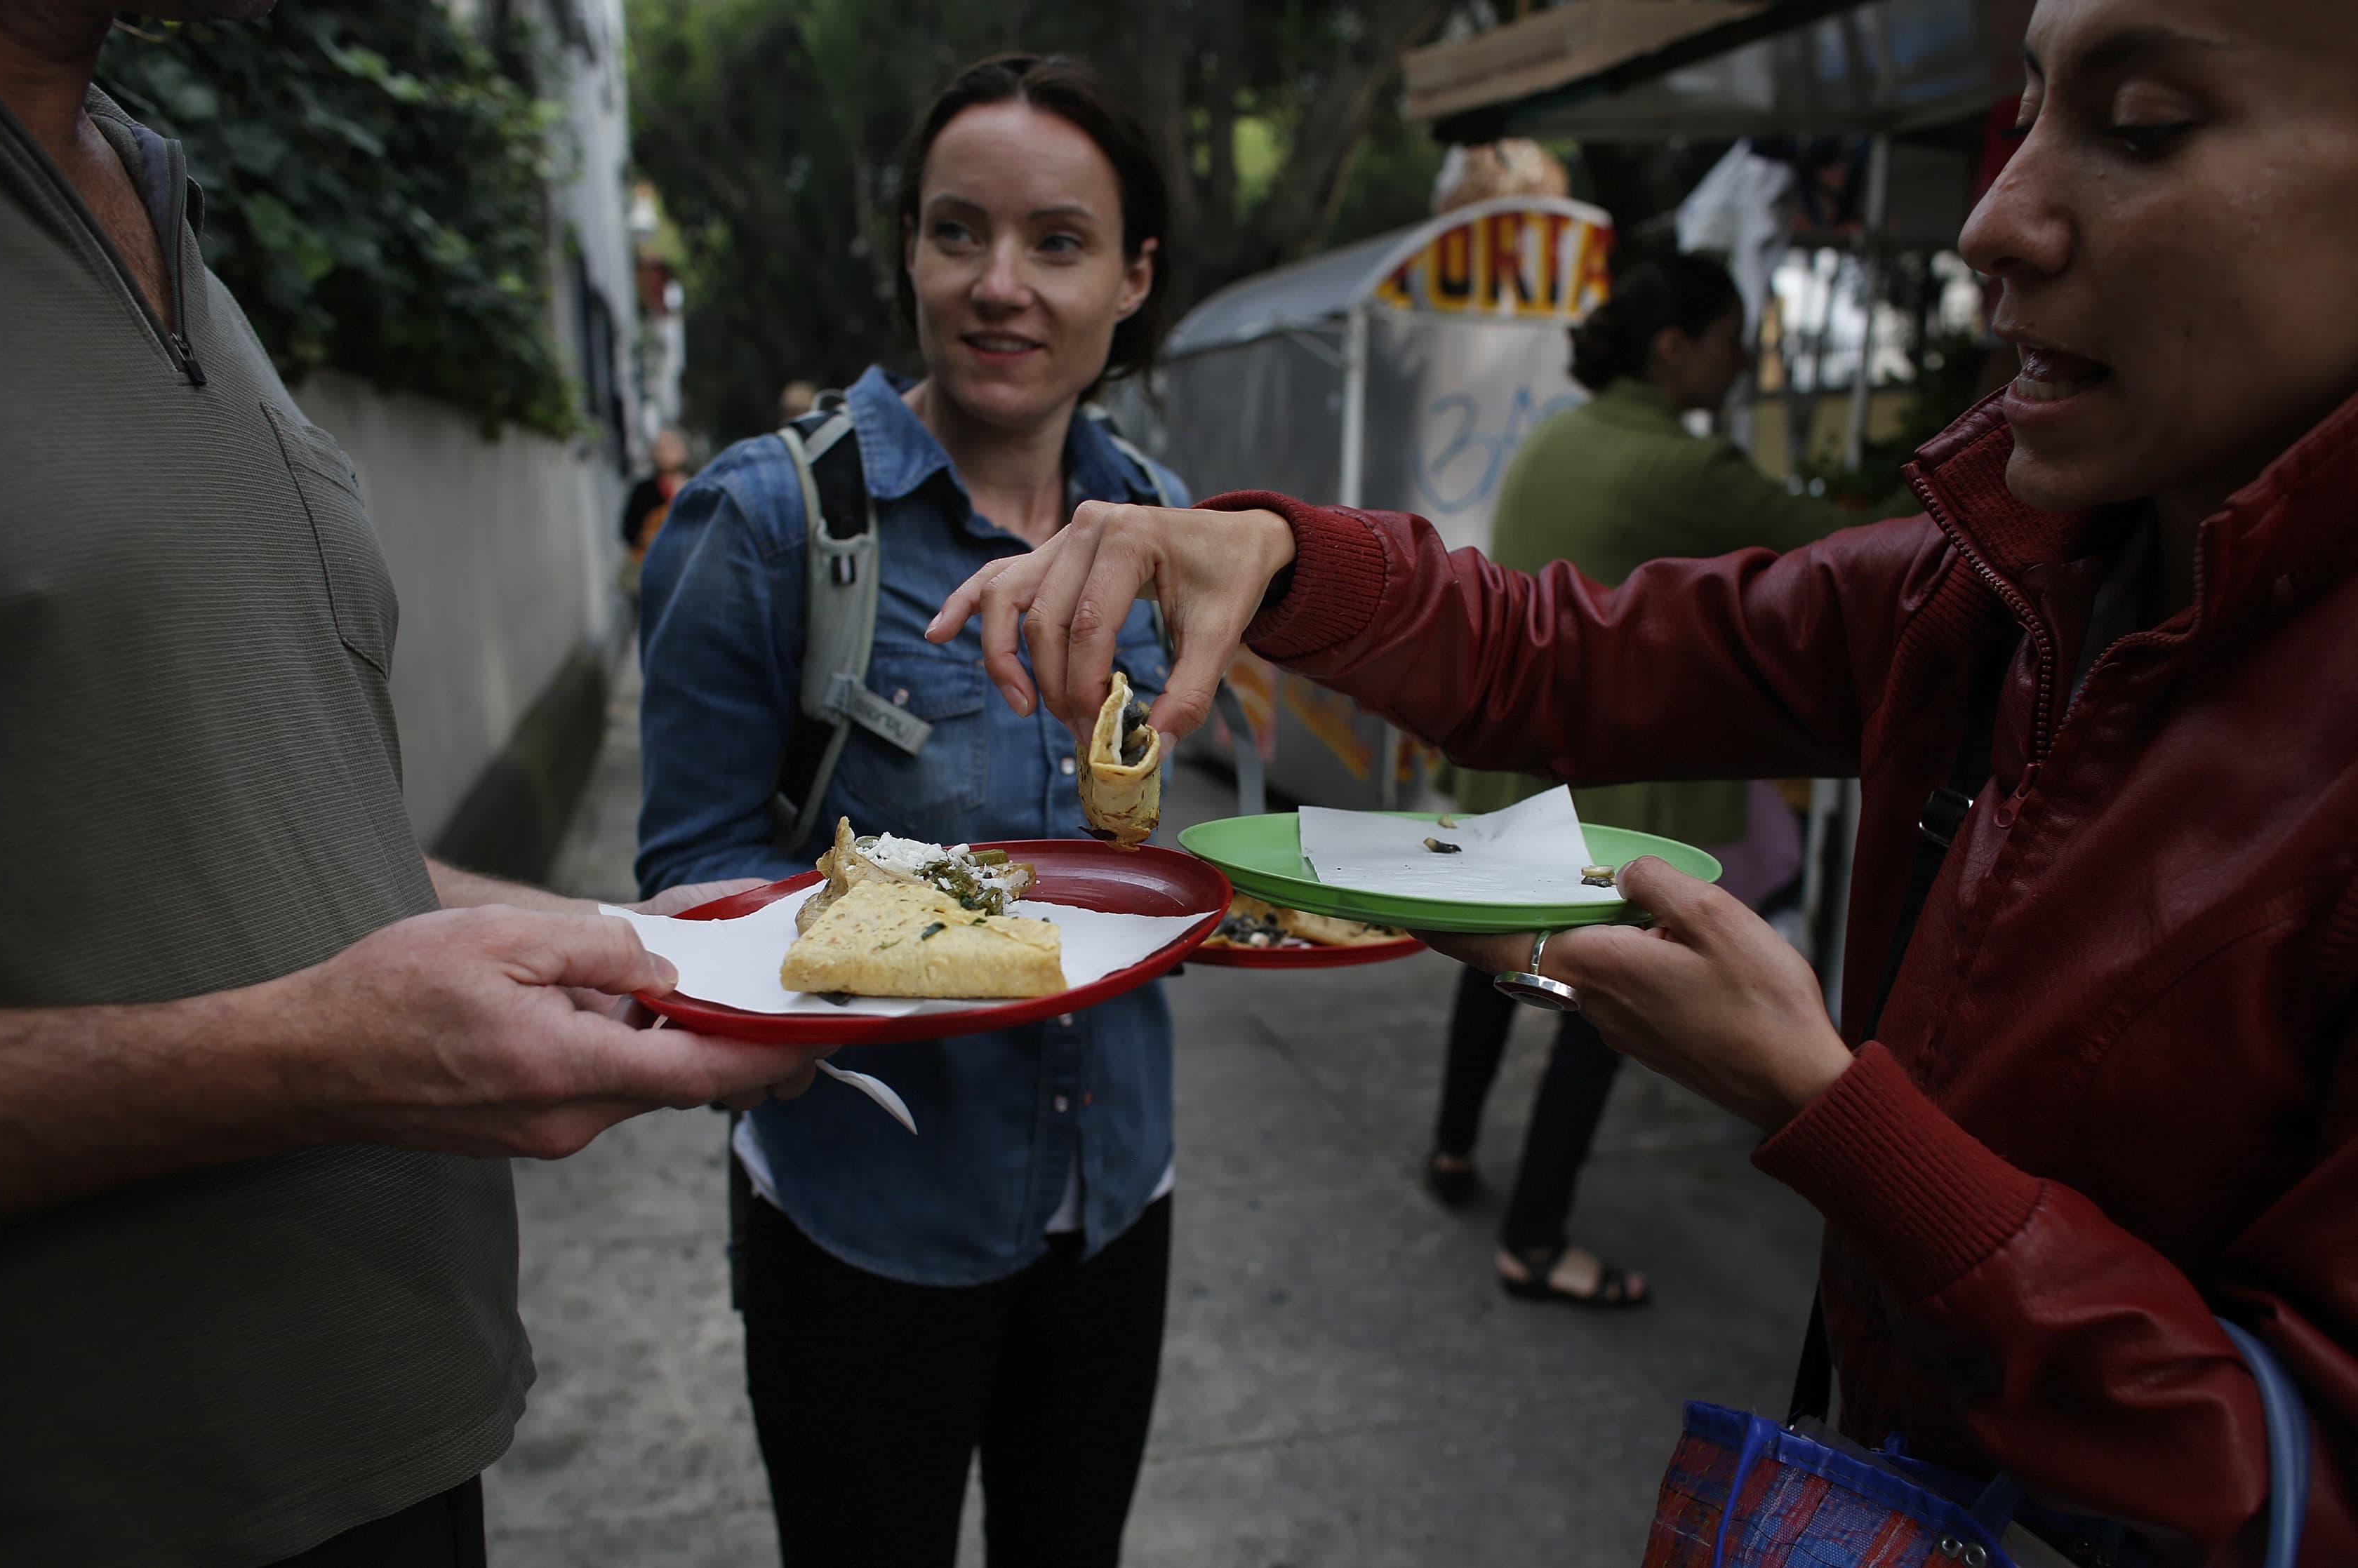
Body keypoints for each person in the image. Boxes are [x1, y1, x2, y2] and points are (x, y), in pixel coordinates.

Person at [935, 0, 2358, 1551]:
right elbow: (1559, 654)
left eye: (2142, 126)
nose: (1994, 219)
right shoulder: (1991, 586)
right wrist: (1277, 554)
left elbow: (2292, 1492)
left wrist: (1832, 1113)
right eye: (2023, 107)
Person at [0, 6, 824, 1564]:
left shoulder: (147, 193)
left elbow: (270, 829)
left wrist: (660, 943)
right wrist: (296, 1061)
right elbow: (310, 1015)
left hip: (402, 1464)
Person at [635, 54, 1184, 1568]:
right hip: (865, 1210)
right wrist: (887, 947)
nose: (999, 285)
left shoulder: (1159, 518)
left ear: (1134, 276)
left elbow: (1146, 853)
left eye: (1059, 243)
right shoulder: (762, 520)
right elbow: (685, 877)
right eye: (958, 232)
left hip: (1115, 1185)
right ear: (908, 251)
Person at [1429, 253, 1881, 1308]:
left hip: (1513, 774)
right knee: (1607, 998)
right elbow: (1855, 555)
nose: (1740, 360)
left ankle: (1453, 1147)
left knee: (1485, 961)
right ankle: (1534, 1239)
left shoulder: (1556, 434)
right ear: (1675, 347)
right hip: (1610, 796)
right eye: (1731, 337)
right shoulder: (1690, 470)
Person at [619, 426, 692, 599]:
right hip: (651, 572)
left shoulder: (695, 486)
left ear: (683, 452)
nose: (666, 454)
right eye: (661, 449)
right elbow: (627, 530)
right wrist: (645, 538)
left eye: (671, 448)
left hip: (686, 573)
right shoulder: (643, 490)